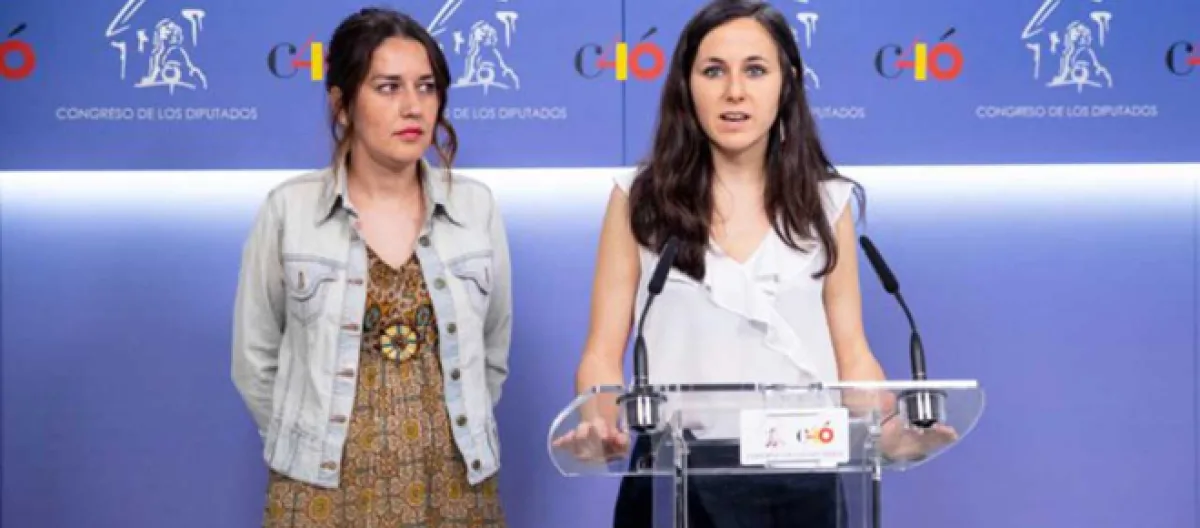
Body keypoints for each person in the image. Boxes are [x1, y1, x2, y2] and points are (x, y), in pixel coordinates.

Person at [556, 1, 955, 526]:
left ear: (787, 84)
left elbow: (852, 351)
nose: (734, 92)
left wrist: (885, 433)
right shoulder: (638, 199)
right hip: (676, 473)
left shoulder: (826, 202)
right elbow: (602, 353)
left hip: (804, 467)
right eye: (713, 71)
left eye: (755, 70)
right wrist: (601, 426)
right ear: (686, 85)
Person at [231, 7, 511, 527]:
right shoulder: (290, 210)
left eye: (426, 87)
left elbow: (493, 349)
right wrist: (301, 443)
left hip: (454, 484)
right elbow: (254, 359)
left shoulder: (476, 208)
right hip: (318, 489)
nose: (413, 106)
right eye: (388, 87)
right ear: (342, 105)